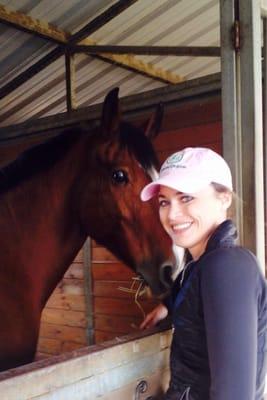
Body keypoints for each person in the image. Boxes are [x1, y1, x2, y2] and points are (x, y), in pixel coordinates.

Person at [140, 147, 267, 400]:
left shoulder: (226, 266)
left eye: (186, 197)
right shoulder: (199, 264)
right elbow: (188, 290)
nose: (172, 214)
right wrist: (167, 306)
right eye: (164, 202)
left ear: (224, 198)